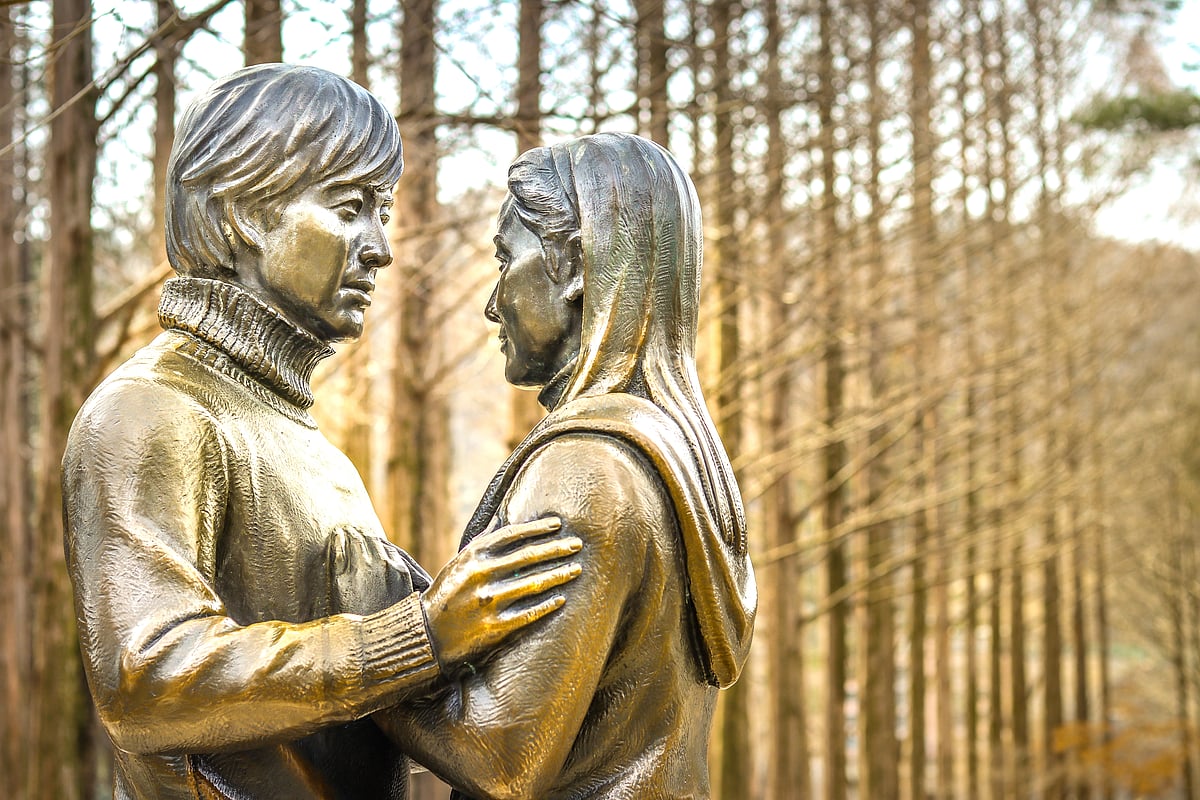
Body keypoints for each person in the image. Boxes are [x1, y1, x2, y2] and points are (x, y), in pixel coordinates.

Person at [62, 64, 580, 800]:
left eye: (383, 212)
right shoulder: (151, 410)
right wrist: (420, 637)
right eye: (349, 209)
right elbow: (147, 680)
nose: (380, 247)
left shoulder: (306, 442)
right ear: (244, 212)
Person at [365, 132, 757, 799]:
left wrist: (372, 634)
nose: (492, 303)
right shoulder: (678, 454)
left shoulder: (587, 469)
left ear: (573, 264)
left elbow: (498, 759)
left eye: (504, 259)